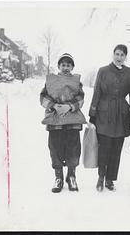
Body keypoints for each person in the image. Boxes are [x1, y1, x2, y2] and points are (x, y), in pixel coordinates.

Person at [88, 44, 130, 192]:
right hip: (104, 113)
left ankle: (110, 179)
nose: (119, 57)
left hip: (121, 115)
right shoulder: (103, 71)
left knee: (117, 147)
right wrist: (92, 114)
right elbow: (97, 92)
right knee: (104, 146)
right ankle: (101, 177)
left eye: (122, 55)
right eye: (117, 54)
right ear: (113, 55)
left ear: (125, 57)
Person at [40, 53, 86, 193]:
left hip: (72, 122)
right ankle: (58, 177)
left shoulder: (77, 82)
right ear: (59, 66)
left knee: (73, 149)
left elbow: (81, 98)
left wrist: (70, 106)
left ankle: (71, 176)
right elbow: (43, 97)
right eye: (63, 65)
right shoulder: (51, 81)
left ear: (72, 67)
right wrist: (54, 106)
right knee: (55, 148)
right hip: (55, 122)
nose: (66, 67)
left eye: (68, 65)